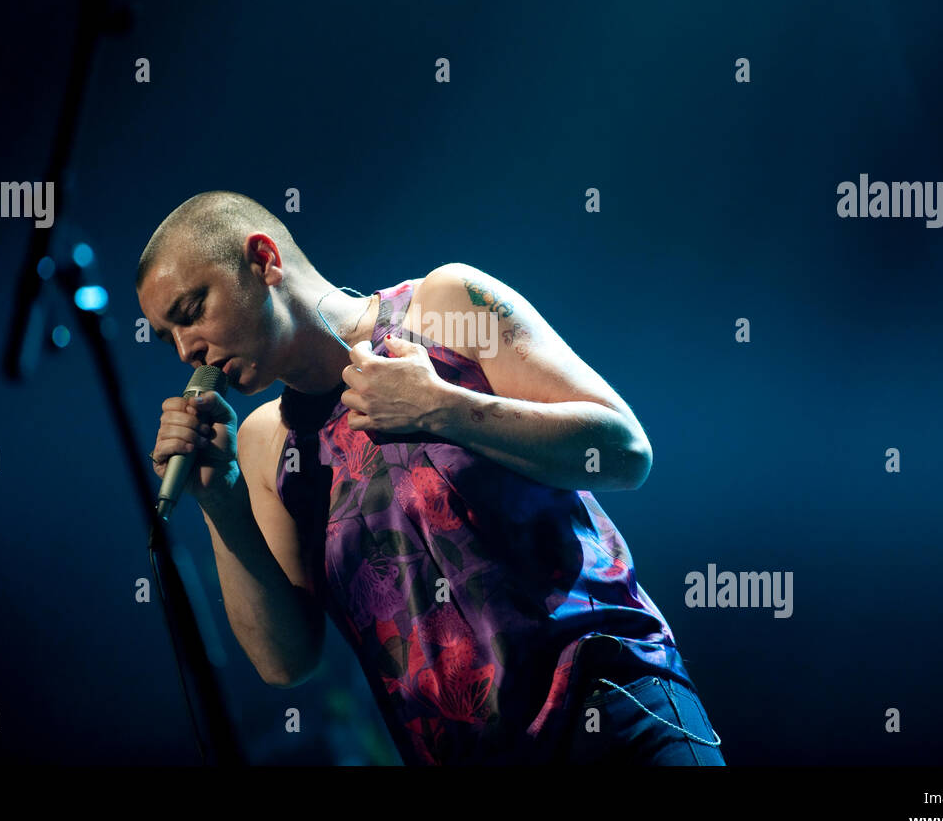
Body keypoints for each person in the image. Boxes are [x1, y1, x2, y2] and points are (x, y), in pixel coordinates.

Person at [135, 190, 725, 765]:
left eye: (192, 313)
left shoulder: (442, 306)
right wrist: (223, 504)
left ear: (263, 260)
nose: (187, 349)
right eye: (168, 338)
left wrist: (442, 408)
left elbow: (623, 448)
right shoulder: (268, 445)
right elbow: (286, 663)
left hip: (605, 705)